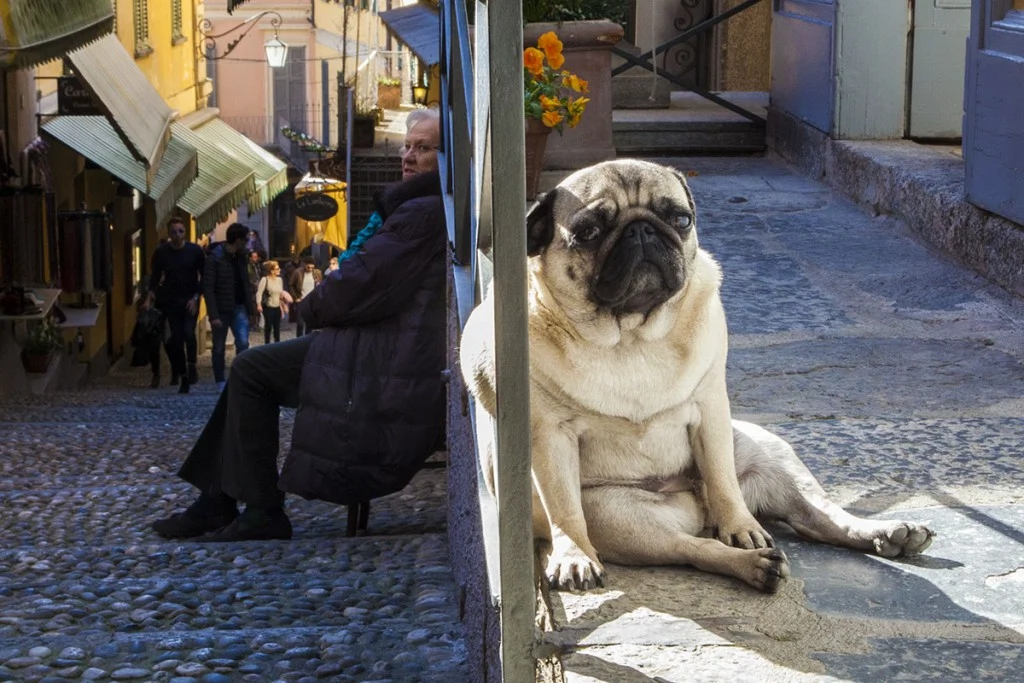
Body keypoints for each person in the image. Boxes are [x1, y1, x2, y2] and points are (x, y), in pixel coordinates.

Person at [151, 107, 446, 541]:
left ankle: (258, 510)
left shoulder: (420, 212)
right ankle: (218, 501)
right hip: (382, 348)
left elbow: (357, 284)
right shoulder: (421, 207)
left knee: (250, 369)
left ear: (448, 156)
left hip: (384, 360)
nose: (408, 156)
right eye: (406, 146)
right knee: (250, 369)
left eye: (423, 148)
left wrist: (309, 308)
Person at [144, 217, 203, 393]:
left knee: (188, 332)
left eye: (180, 231)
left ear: (184, 232)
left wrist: (196, 297)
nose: (177, 235)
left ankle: (191, 365)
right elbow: (155, 277)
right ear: (169, 234)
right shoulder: (162, 252)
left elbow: (204, 276)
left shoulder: (195, 251)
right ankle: (183, 375)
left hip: (190, 299)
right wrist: (149, 297)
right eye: (174, 232)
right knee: (176, 339)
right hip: (171, 300)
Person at [204, 223, 253, 390]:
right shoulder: (215, 258)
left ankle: (240, 378)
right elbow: (208, 288)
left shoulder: (241, 256)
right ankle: (220, 380)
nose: (247, 243)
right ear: (237, 240)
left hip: (239, 307)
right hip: (221, 309)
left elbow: (245, 284)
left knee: (243, 344)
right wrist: (213, 315)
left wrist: (251, 310)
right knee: (219, 347)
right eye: (245, 239)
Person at [288, 257, 323, 337]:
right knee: (300, 323)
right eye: (308, 267)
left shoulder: (317, 273)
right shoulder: (298, 272)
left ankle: (307, 339)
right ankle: (299, 340)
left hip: (311, 301)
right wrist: (295, 297)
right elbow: (291, 285)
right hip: (301, 300)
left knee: (309, 323)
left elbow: (320, 286)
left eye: (312, 268)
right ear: (304, 265)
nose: (310, 269)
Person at [255, 260, 285, 344]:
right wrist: (258, 304)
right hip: (268, 307)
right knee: (268, 328)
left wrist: (283, 302)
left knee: (277, 328)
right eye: (277, 269)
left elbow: (280, 293)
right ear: (271, 271)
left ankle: (277, 345)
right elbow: (259, 293)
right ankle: (267, 345)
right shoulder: (265, 279)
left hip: (277, 307)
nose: (279, 270)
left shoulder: (279, 280)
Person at [247, 250, 265, 332]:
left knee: (258, 305)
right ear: (250, 258)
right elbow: (249, 278)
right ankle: (253, 324)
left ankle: (257, 323)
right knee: (253, 306)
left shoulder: (258, 265)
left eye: (256, 257)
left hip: (258, 287)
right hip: (252, 289)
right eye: (254, 257)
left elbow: (259, 275)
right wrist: (255, 285)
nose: (256, 258)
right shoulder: (248, 266)